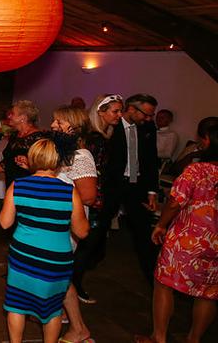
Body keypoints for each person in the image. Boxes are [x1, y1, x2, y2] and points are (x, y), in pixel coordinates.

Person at [0, 139, 89, 343]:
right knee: (52, 309)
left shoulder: (18, 185)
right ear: (57, 161)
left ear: (32, 159)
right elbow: (82, 232)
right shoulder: (69, 191)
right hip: (55, 259)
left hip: (23, 255)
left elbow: (5, 223)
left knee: (16, 304)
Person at [136, 120, 217, 343]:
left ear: (206, 140)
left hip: (189, 238)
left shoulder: (196, 171)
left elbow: (175, 203)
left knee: (164, 284)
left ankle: (158, 337)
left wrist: (161, 224)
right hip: (216, 243)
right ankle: (194, 339)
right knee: (209, 293)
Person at [49, 106, 98, 343]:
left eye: (58, 122)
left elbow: (88, 196)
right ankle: (61, 313)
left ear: (73, 126)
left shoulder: (81, 156)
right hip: (55, 224)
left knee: (60, 276)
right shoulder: (64, 152)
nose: (53, 126)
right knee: (58, 275)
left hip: (67, 226)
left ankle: (79, 328)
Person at [69, 93, 123, 304]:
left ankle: (72, 285)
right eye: (115, 111)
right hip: (92, 197)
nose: (120, 115)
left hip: (97, 196)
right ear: (100, 112)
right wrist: (98, 200)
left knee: (88, 244)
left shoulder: (103, 135)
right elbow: (92, 174)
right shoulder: (96, 139)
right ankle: (73, 286)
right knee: (86, 243)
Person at [102, 93, 160, 282]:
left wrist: (152, 191)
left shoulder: (148, 127)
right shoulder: (112, 126)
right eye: (146, 114)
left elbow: (151, 159)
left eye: (151, 115)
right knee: (99, 229)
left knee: (143, 233)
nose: (149, 118)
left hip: (137, 186)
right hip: (113, 185)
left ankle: (154, 279)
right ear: (132, 109)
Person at [0, 100, 51, 187]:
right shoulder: (15, 135)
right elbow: (9, 162)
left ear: (23, 118)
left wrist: (28, 164)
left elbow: (44, 168)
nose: (9, 116)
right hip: (12, 185)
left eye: (12, 113)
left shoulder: (39, 139)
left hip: (28, 187)